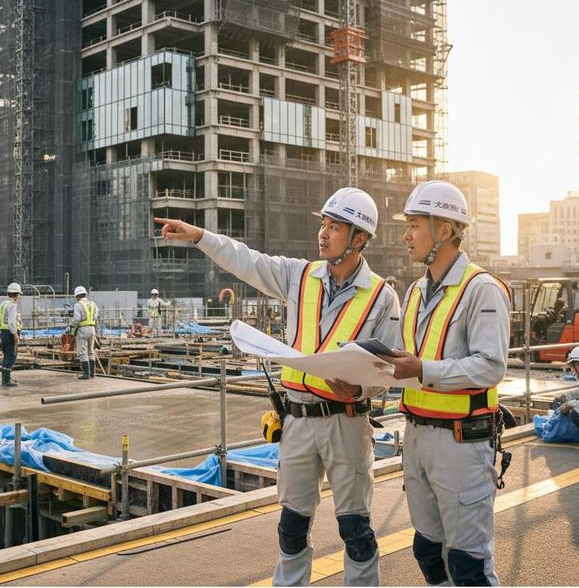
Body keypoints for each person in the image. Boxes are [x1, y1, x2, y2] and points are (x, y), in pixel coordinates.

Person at [156, 187, 400, 587]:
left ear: (359, 239)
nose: (323, 233)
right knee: (290, 526)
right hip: (299, 420)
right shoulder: (299, 276)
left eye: (334, 226)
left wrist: (358, 392)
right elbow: (247, 261)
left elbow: (388, 366)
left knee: (355, 530)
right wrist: (200, 236)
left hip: (347, 422)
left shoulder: (381, 297)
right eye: (323, 223)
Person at [379, 180, 511, 586]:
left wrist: (424, 370)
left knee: (468, 564)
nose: (406, 235)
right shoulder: (416, 291)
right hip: (417, 436)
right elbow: (407, 359)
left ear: (445, 230)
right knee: (427, 550)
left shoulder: (481, 289)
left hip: (461, 444)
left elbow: (490, 366)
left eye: (415, 224)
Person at [69, 286, 98, 379]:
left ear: (77, 296)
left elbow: (77, 319)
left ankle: (86, 374)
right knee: (91, 350)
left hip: (83, 330)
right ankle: (92, 373)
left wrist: (70, 326)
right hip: (92, 329)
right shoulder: (93, 304)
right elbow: (95, 316)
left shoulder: (78, 305)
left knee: (83, 351)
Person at [0, 283, 23, 388]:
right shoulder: (12, 305)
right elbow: (12, 322)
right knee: (11, 356)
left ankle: (6, 377)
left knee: (6, 355)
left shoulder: (4, 303)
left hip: (4, 332)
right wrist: (15, 335)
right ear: (16, 294)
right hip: (10, 333)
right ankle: (6, 380)